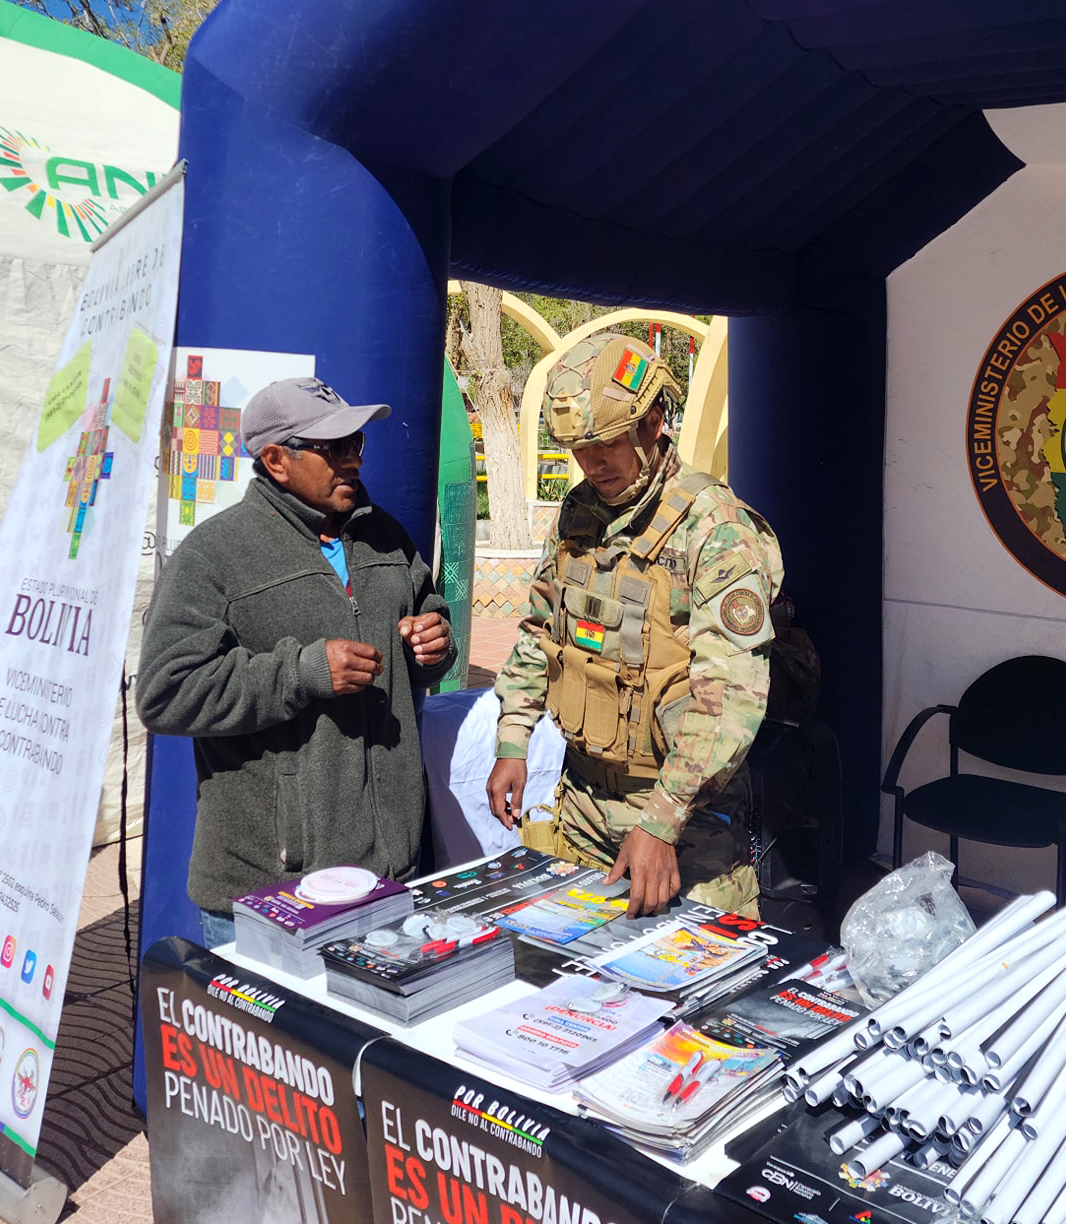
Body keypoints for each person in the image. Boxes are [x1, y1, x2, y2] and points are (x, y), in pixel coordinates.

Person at [138, 376, 454, 946]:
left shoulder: (385, 535)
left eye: (356, 442)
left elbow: (426, 615)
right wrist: (301, 673)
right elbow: (165, 692)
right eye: (333, 448)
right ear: (276, 460)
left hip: (392, 875)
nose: (353, 459)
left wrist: (433, 644)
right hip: (273, 895)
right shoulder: (214, 555)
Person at [486, 332, 783, 917]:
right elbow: (540, 632)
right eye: (579, 449)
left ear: (653, 423)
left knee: (690, 973)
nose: (592, 464)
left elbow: (730, 698)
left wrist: (662, 821)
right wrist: (513, 738)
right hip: (580, 807)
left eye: (607, 444)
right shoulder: (578, 513)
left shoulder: (715, 528)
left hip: (684, 828)